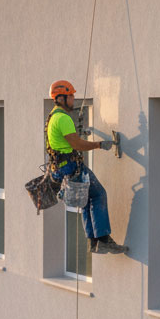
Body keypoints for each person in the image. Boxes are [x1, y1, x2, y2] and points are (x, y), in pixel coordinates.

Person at [46, 80, 127, 255]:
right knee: (99, 194)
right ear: (61, 98)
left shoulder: (52, 116)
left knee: (86, 199)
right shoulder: (63, 118)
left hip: (61, 169)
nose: (73, 100)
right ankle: (103, 241)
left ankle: (93, 242)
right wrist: (99, 145)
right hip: (71, 167)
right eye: (71, 96)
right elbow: (77, 144)